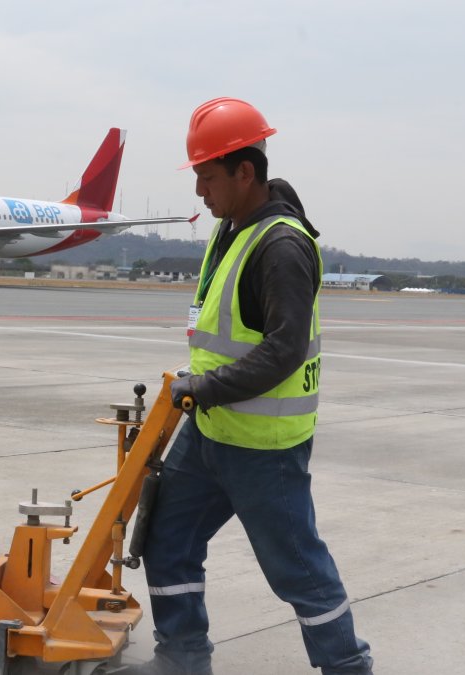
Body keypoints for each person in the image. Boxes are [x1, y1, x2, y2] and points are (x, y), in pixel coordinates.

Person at [127, 98, 373, 674]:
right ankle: (183, 658)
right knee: (167, 539)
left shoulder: (281, 246)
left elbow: (283, 352)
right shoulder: (232, 228)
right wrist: (202, 397)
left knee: (299, 572)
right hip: (210, 431)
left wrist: (202, 388)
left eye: (207, 178)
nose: (199, 192)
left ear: (246, 171)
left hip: (262, 447)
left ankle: (348, 667)